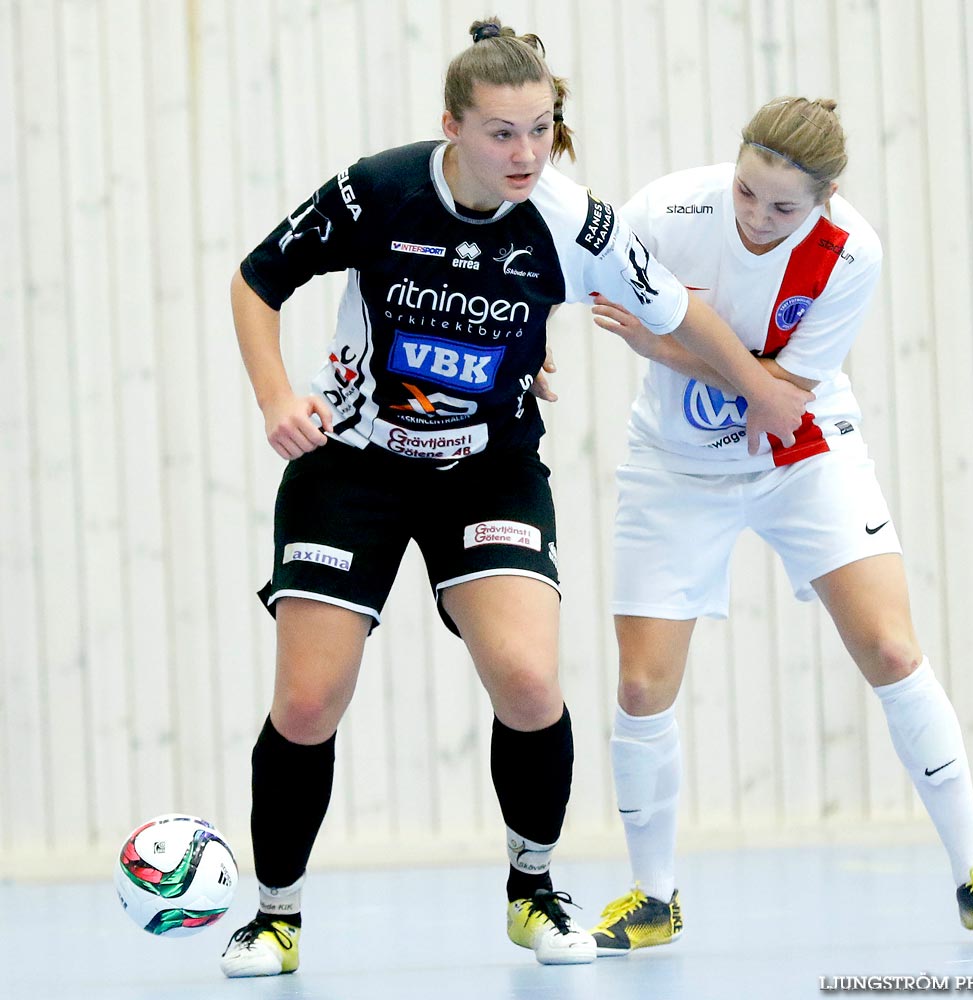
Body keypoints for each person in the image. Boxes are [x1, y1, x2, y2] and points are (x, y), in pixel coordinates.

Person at [218, 19, 813, 977]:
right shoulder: (378, 188)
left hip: (488, 471)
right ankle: (274, 916)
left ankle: (532, 892)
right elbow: (255, 282)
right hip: (355, 468)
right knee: (306, 703)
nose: (525, 153)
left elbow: (678, 310)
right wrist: (275, 398)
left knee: (531, 684)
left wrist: (760, 386)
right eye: (500, 133)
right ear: (450, 125)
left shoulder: (572, 221)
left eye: (540, 128)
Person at [587, 96, 973, 954]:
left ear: (823, 201)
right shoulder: (667, 209)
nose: (756, 218)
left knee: (894, 652)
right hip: (675, 469)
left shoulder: (848, 251)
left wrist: (662, 341)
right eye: (747, 193)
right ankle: (653, 898)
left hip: (803, 455)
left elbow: (777, 397)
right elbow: (580, 273)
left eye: (782, 207)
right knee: (641, 688)